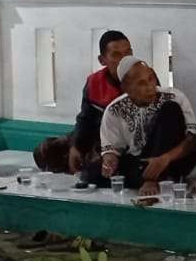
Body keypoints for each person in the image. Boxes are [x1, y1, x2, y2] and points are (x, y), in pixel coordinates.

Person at [94, 56, 196, 195]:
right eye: (141, 83)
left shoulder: (173, 96)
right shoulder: (114, 110)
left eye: (151, 78)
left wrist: (165, 158)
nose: (150, 86)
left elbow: (193, 141)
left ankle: (154, 179)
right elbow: (111, 150)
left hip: (173, 160)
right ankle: (148, 177)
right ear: (126, 87)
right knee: (90, 173)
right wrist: (109, 161)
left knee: (171, 109)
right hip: (141, 162)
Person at [32, 31, 131, 175]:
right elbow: (85, 119)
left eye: (128, 53)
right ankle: (78, 163)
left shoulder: (143, 78)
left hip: (120, 142)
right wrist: (76, 146)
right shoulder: (94, 82)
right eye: (116, 55)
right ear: (102, 60)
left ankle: (87, 167)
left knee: (102, 164)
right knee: (44, 151)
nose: (124, 60)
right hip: (94, 135)